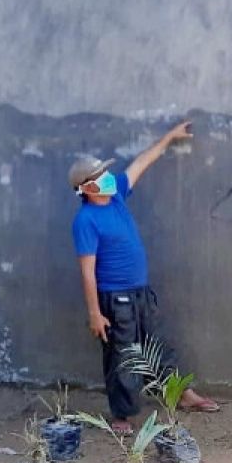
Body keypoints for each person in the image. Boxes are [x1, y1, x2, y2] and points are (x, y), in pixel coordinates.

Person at [70, 121, 220, 434]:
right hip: (115, 299)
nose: (107, 178)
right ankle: (121, 415)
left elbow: (141, 163)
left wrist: (168, 138)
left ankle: (182, 395)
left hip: (140, 293)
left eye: (106, 173)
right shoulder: (85, 220)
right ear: (86, 188)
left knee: (158, 345)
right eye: (99, 176)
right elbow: (86, 271)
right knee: (122, 355)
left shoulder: (117, 197)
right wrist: (95, 313)